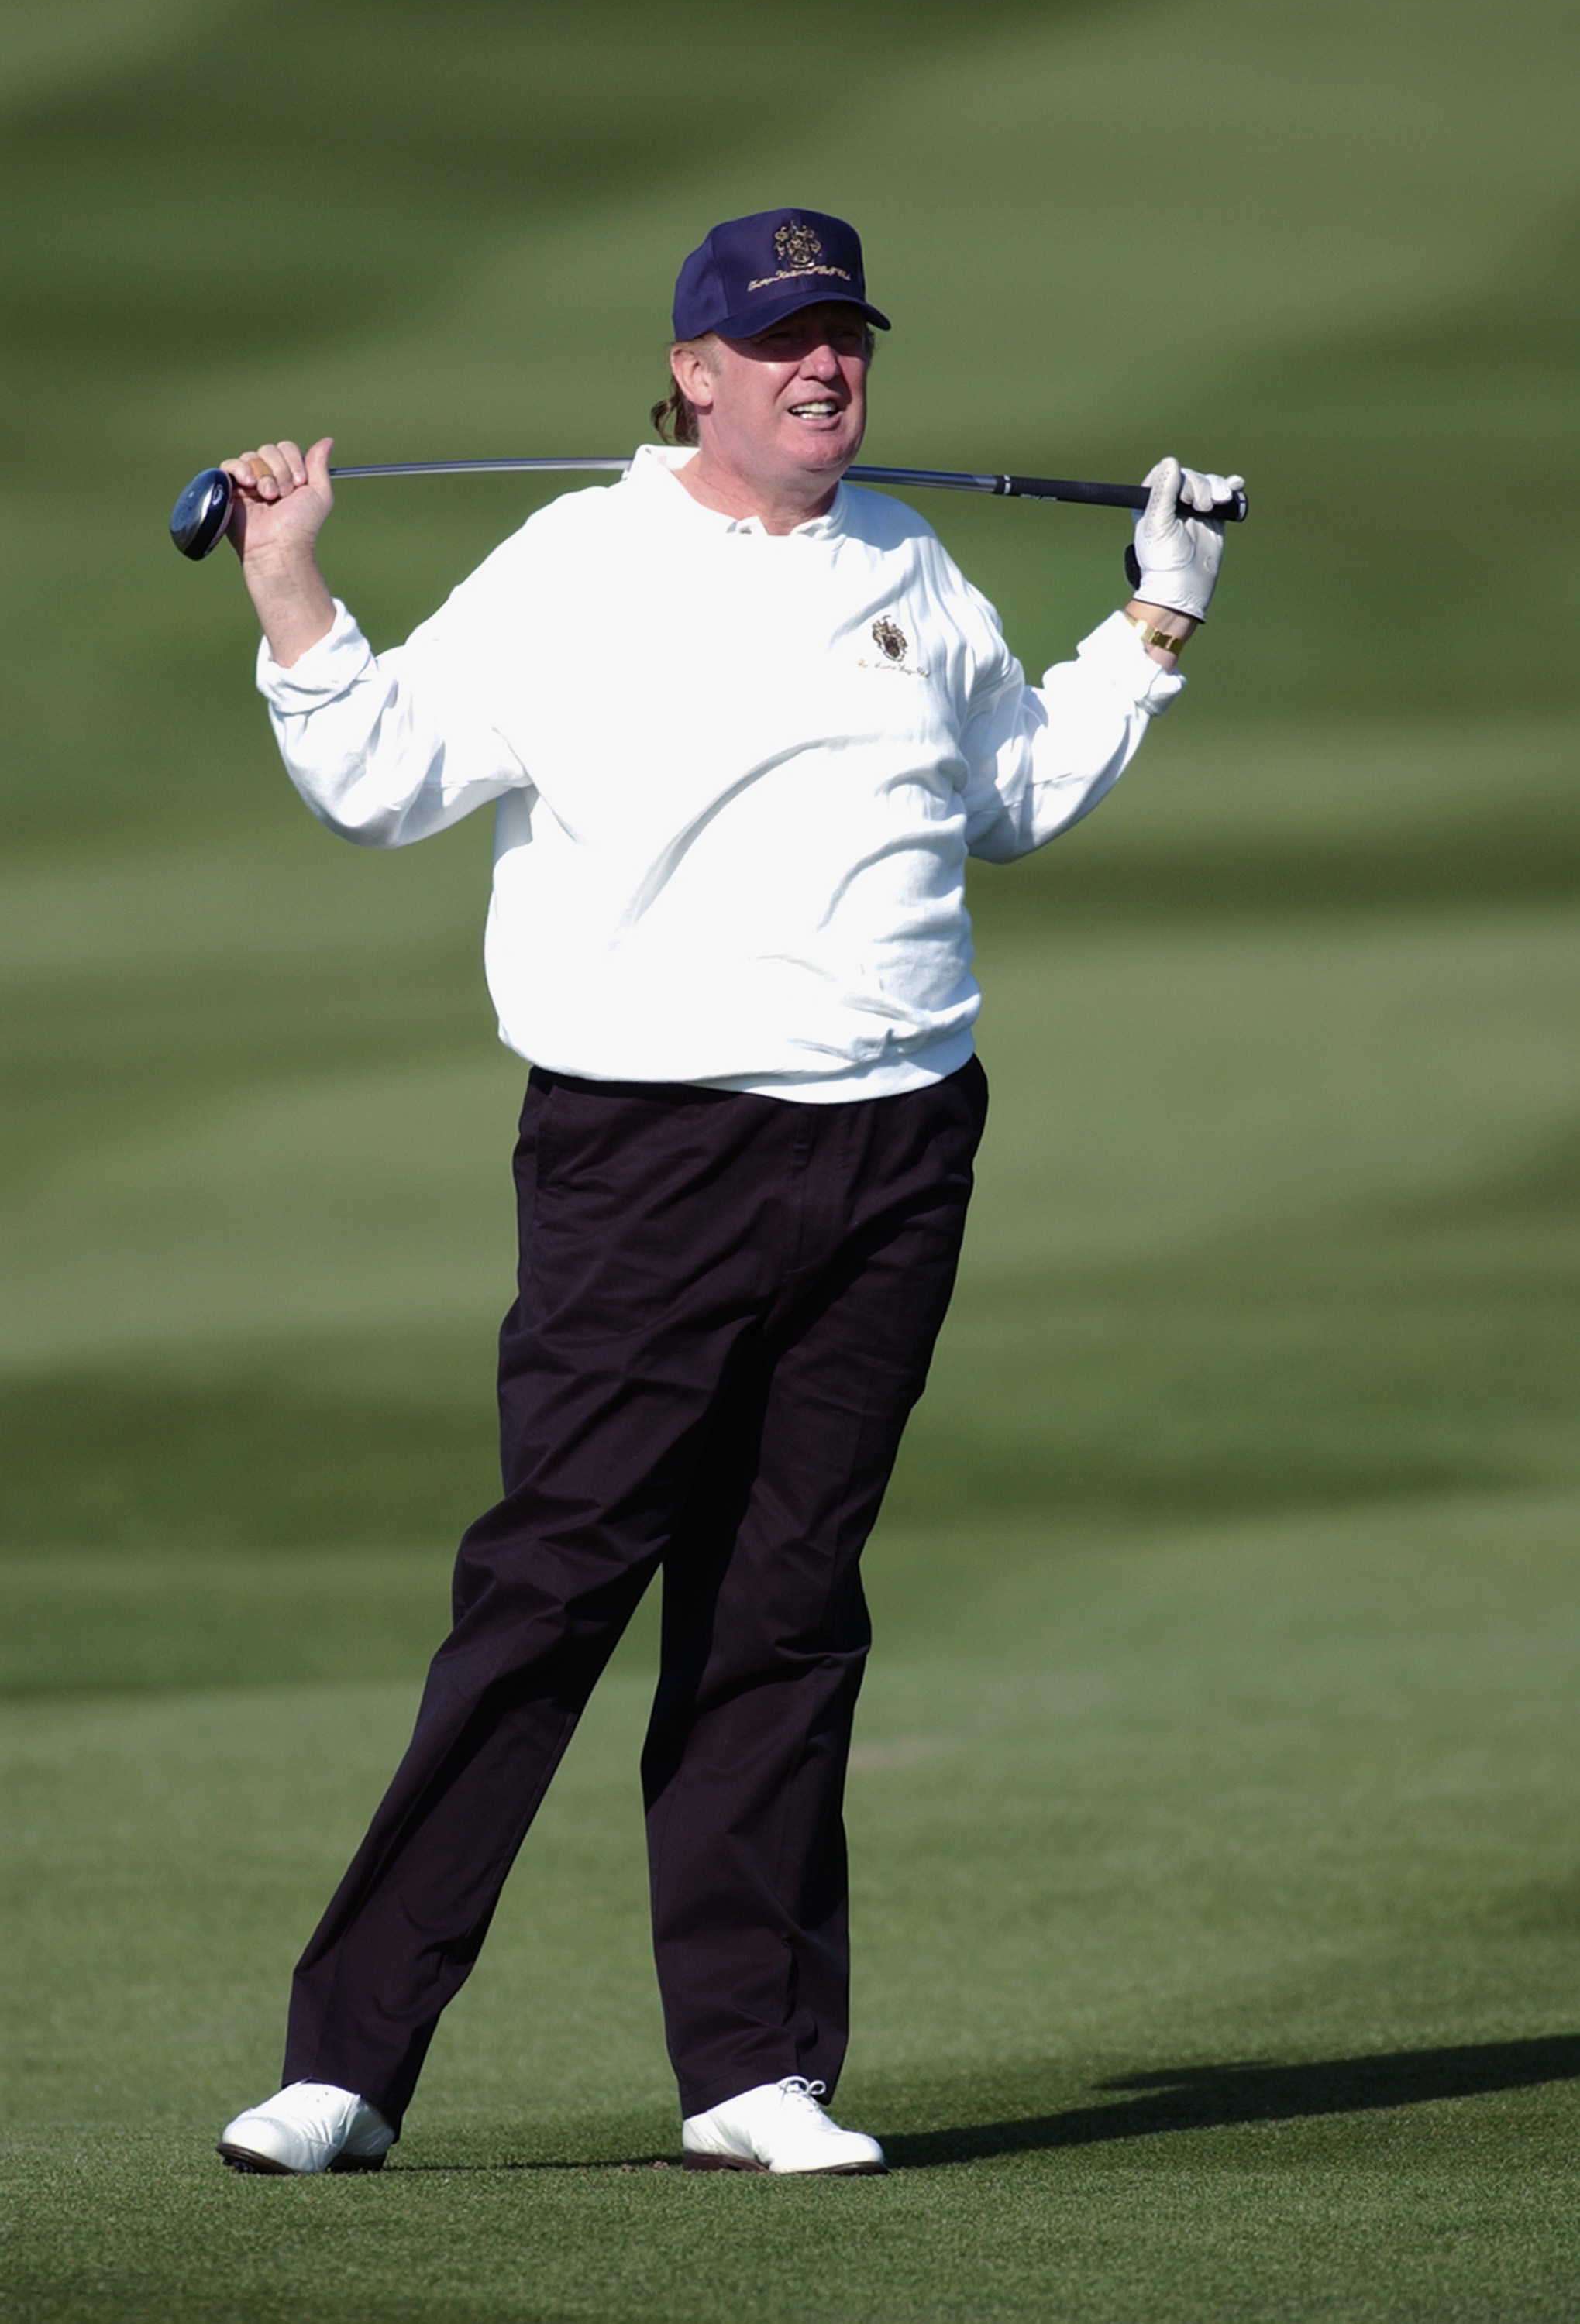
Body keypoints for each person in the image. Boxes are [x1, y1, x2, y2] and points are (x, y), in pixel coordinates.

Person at [215, 208, 1240, 2179]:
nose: (823, 366)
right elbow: (379, 775)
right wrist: (292, 583)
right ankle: (346, 2062)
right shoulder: (576, 562)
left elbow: (1013, 796)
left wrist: (1154, 619)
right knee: (548, 1595)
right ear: (694, 372)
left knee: (785, 1608)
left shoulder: (908, 563)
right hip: (651, 1154)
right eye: (780, 341)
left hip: (898, 1145)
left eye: (843, 335)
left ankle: (755, 2070)